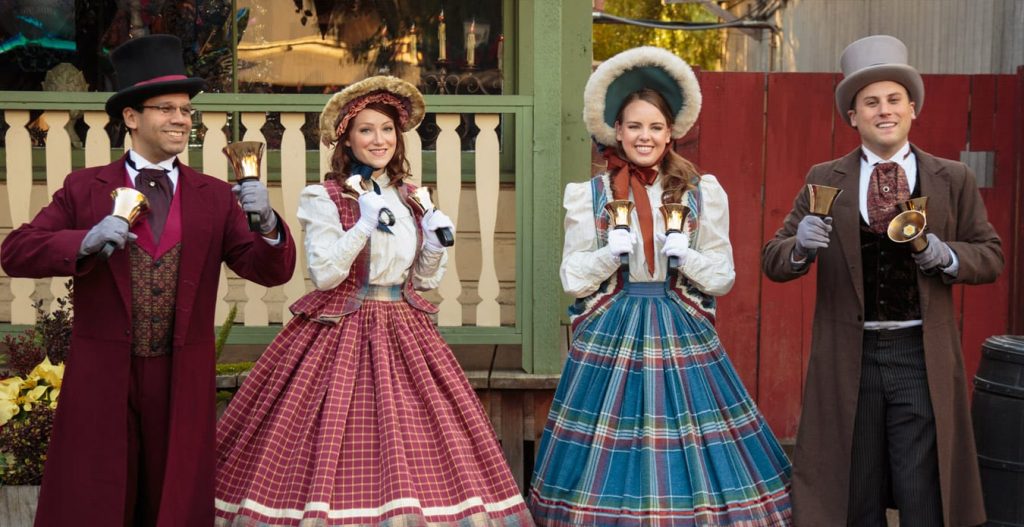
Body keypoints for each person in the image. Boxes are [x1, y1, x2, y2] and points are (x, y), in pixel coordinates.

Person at [0, 34, 297, 526]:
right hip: (103, 374)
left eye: (186, 110)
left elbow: (269, 270)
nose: (182, 119)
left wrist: (267, 226)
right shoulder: (84, 187)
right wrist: (84, 241)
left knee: (173, 502)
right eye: (167, 108)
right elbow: (16, 252)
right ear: (132, 117)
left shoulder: (215, 196)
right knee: (97, 498)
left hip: (181, 375)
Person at [215, 75, 534, 526]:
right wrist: (362, 223)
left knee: (418, 442)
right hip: (339, 329)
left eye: (386, 129)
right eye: (366, 129)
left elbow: (420, 282)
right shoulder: (322, 197)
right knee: (331, 439)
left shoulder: (411, 198)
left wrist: (435, 244)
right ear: (346, 137)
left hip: (404, 329)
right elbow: (326, 275)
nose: (378, 139)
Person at [529, 46, 792, 527]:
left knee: (686, 438)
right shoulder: (589, 195)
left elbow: (723, 276)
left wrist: (684, 255)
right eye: (634, 126)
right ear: (617, 131)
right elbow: (571, 278)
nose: (644, 136)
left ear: (671, 132)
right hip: (612, 329)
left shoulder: (701, 192)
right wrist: (612, 252)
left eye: (655, 126)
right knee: (612, 441)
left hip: (681, 327)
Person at [762, 35, 1003, 527]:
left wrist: (948, 255)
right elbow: (774, 259)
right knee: (856, 486)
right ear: (853, 116)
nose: (884, 110)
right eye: (870, 102)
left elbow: (991, 255)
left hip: (920, 353)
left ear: (912, 109)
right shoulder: (824, 178)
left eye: (894, 100)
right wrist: (801, 246)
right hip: (851, 356)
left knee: (923, 486)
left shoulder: (951, 178)